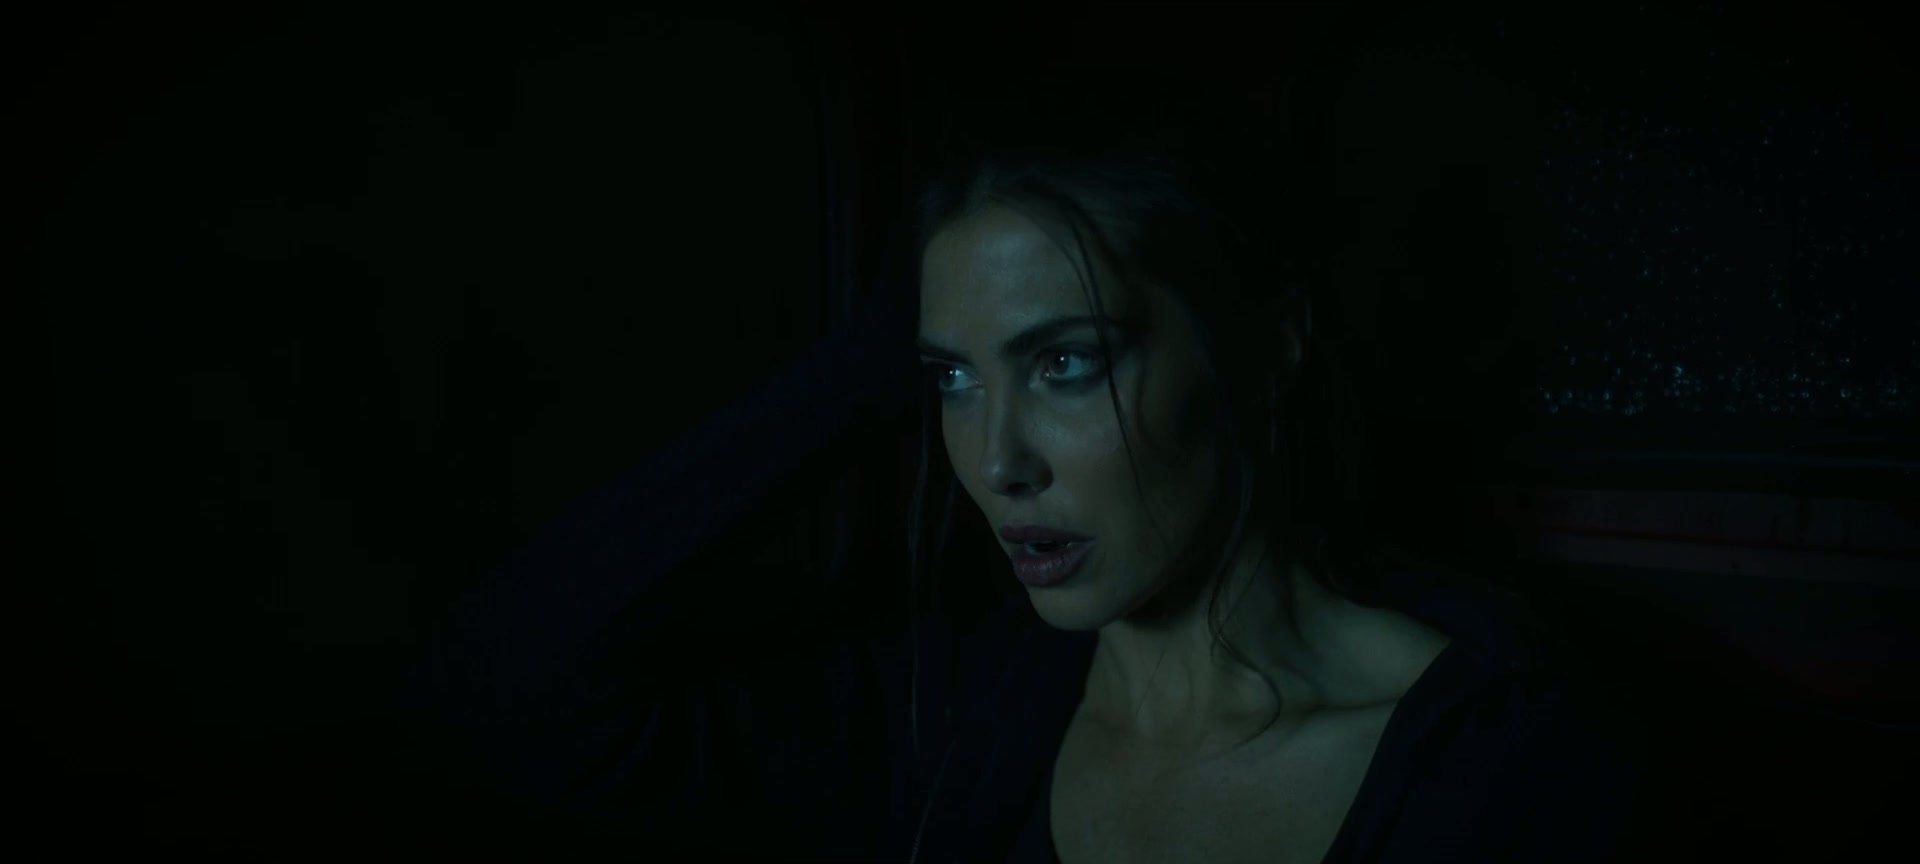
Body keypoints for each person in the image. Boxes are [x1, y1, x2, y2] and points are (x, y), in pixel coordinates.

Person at [402, 72, 1654, 862]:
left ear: (1266, 345)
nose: (996, 463)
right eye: (952, 381)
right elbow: (506, 686)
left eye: (1064, 364)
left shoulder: (1501, 764)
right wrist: (860, 372)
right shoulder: (943, 716)